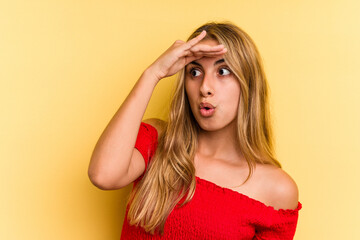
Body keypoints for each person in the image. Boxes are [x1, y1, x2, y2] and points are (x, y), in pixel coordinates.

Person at [88, 21, 302, 239]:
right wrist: (153, 74)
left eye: (223, 71)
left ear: (248, 85)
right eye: (195, 72)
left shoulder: (276, 190)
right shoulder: (158, 141)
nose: (205, 87)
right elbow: (103, 175)